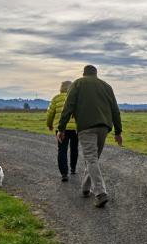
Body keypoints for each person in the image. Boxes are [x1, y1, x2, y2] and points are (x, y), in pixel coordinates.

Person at [58, 65, 123, 208]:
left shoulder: (78, 83)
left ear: (84, 73)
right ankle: (85, 188)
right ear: (96, 74)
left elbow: (68, 106)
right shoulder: (106, 86)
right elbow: (115, 110)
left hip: (86, 127)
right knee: (93, 158)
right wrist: (118, 132)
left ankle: (100, 193)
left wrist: (61, 128)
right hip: (104, 127)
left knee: (91, 158)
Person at [46, 80, 78, 182]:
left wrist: (49, 124)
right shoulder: (76, 98)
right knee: (74, 148)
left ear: (61, 88)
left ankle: (64, 173)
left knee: (62, 150)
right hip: (75, 128)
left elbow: (50, 113)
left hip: (61, 129)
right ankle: (73, 168)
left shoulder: (56, 98)